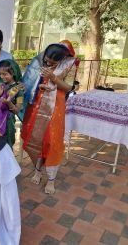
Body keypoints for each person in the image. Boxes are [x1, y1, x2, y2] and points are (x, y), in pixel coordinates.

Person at [19, 40, 79, 194]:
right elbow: (33, 81)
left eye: (52, 62)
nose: (47, 63)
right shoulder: (41, 61)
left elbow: (68, 88)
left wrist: (53, 77)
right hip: (38, 105)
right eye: (46, 60)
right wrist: (40, 85)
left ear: (61, 60)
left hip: (55, 108)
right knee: (36, 138)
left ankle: (51, 179)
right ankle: (38, 170)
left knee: (52, 141)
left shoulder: (69, 65)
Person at [0, 59, 24, 148]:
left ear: (13, 73)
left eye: (5, 74)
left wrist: (9, 103)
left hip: (8, 122)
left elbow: (17, 110)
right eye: (0, 74)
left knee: (6, 145)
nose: (2, 77)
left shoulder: (18, 89)